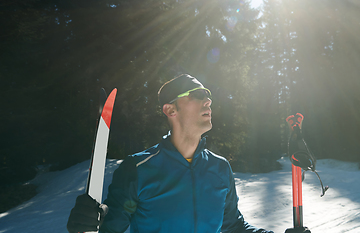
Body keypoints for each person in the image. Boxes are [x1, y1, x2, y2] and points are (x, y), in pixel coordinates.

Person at [67, 74, 274, 233]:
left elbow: (233, 226)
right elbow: (110, 227)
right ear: (170, 110)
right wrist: (90, 220)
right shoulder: (138, 169)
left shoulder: (220, 168)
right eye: (198, 95)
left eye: (208, 96)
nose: (208, 101)